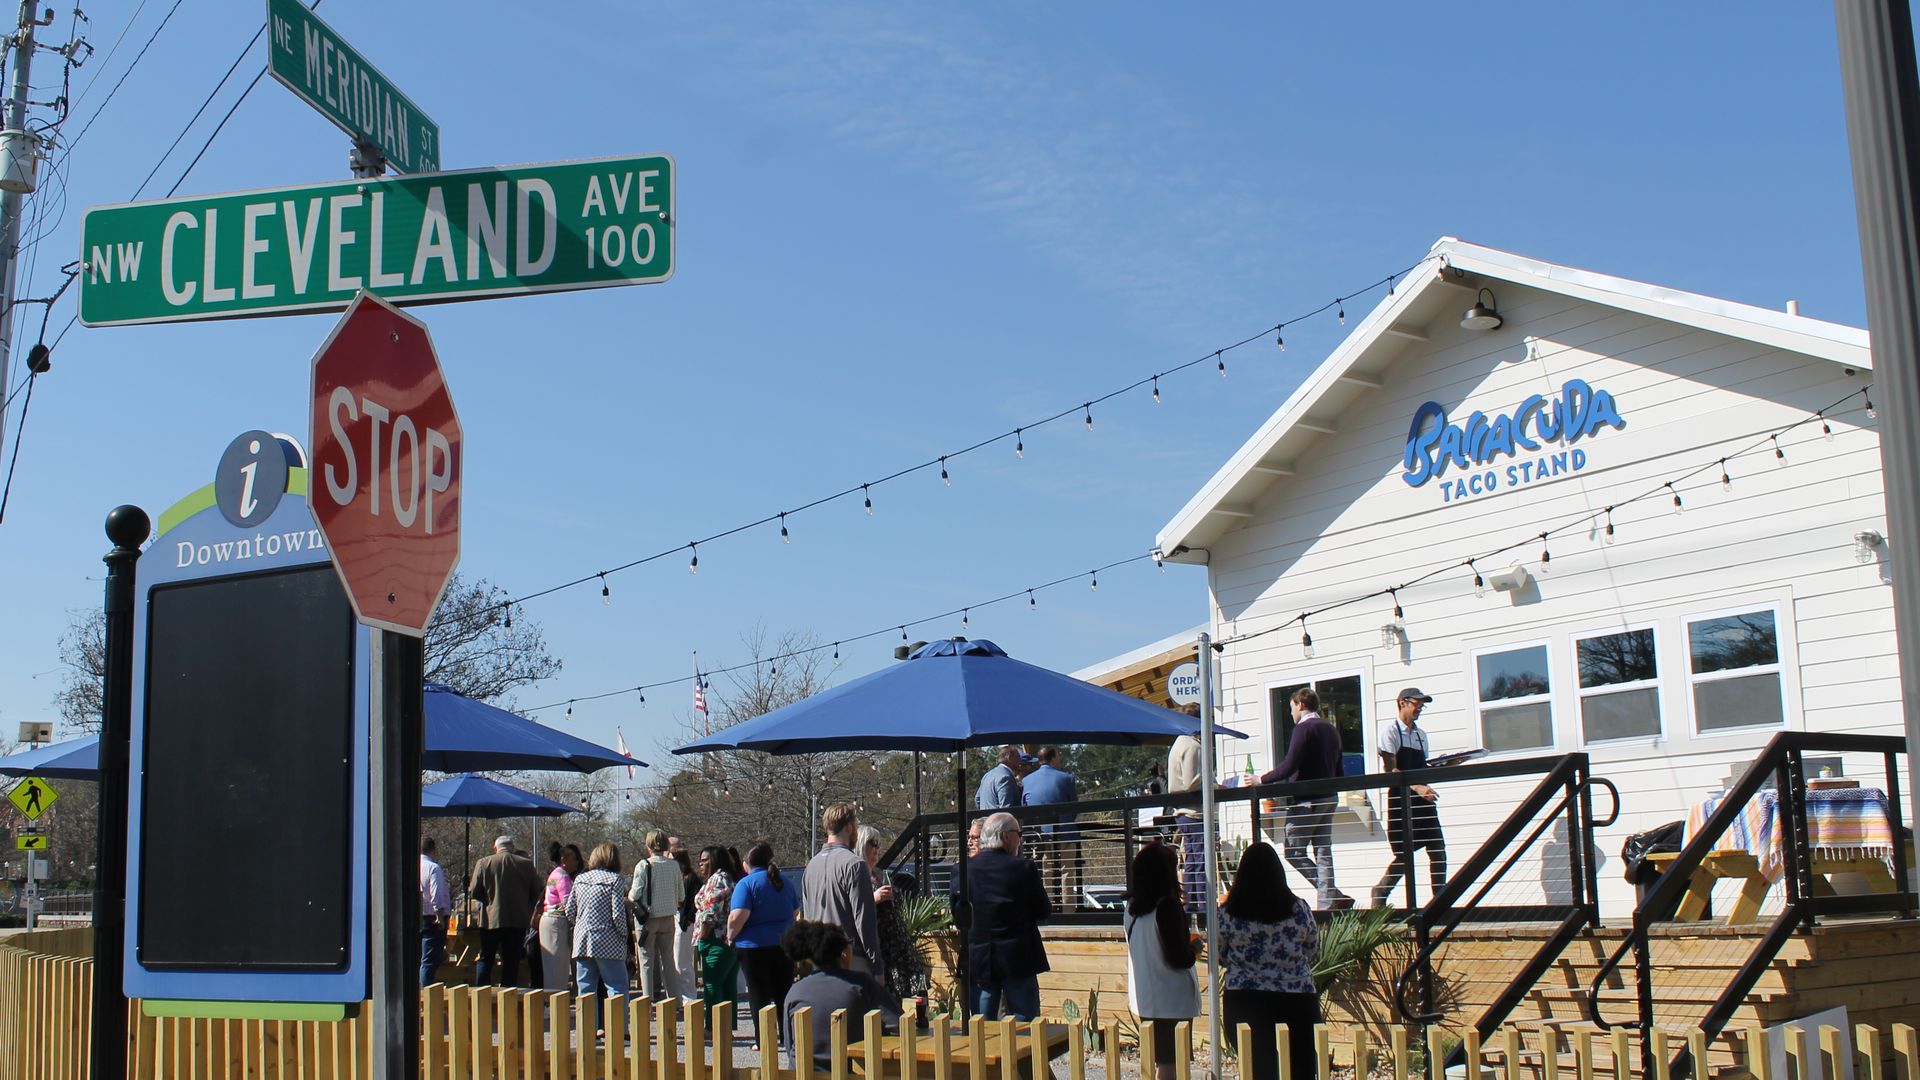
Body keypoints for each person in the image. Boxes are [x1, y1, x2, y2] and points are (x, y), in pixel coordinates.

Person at [1219, 842, 1320, 1080]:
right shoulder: (1299, 909)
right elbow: (1312, 947)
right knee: (1300, 1068)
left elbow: (1220, 954)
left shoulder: (1227, 914)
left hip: (1245, 998)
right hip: (1297, 999)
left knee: (1258, 1068)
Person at [953, 811, 1050, 1020]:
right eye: (1018, 833)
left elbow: (958, 914)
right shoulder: (1023, 868)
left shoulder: (962, 870)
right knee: (1026, 1028)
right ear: (1006, 836)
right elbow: (1043, 910)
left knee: (982, 1030)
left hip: (979, 958)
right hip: (1018, 958)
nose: (1020, 839)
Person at [1261, 687, 1351, 909]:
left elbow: (1289, 765)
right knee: (1323, 851)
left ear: (1300, 704)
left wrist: (1261, 780)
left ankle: (1331, 896)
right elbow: (1339, 770)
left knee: (1293, 851)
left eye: (1291, 707)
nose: (1291, 713)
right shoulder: (1331, 729)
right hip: (1329, 797)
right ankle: (1329, 902)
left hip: (1307, 800)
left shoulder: (1303, 729)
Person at [1123, 843, 1199, 1080]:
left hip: (1146, 996)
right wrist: (1196, 947)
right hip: (1172, 998)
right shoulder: (1167, 907)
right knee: (1171, 1062)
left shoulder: (1131, 909)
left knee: (1160, 1059)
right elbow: (1180, 958)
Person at [781, 920, 902, 1069]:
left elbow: (789, 1045)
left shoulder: (795, 991)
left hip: (802, 1073)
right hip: (851, 1071)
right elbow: (898, 1025)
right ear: (844, 953)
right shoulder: (861, 984)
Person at [1373, 688, 1447, 907]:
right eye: (1417, 703)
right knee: (1405, 855)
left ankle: (1439, 904)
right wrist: (1416, 787)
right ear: (1402, 703)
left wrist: (1447, 764)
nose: (1420, 708)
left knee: (1438, 850)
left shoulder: (1420, 735)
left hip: (1422, 800)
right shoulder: (1390, 732)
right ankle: (1380, 891)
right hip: (1401, 800)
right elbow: (1391, 771)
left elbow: (1421, 767)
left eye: (1422, 705)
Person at [802, 803, 885, 979]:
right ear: (849, 827)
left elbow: (808, 917)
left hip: (820, 960)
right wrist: (877, 967)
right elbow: (864, 921)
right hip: (850, 959)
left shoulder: (811, 866)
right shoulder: (855, 865)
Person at [727, 840, 800, 1037]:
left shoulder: (746, 884)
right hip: (783, 943)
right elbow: (795, 911)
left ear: (746, 863)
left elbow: (737, 916)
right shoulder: (785, 882)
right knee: (783, 992)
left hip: (753, 947)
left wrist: (730, 936)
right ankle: (787, 1035)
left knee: (759, 995)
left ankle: (763, 1039)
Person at [467, 834, 541, 986]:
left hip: (490, 920)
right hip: (518, 920)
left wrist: (489, 902)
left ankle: (482, 995)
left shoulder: (483, 863)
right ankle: (508, 998)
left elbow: (474, 891)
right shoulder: (526, 865)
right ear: (512, 848)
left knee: (486, 958)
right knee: (511, 962)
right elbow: (536, 892)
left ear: (495, 848)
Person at [563, 842, 633, 999]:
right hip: (608, 941)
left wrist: (580, 926)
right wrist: (623, 936)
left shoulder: (580, 879)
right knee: (617, 987)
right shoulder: (615, 880)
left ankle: (587, 1024)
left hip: (582, 941)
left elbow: (569, 912)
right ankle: (617, 1023)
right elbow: (618, 915)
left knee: (585, 991)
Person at [858, 825, 919, 1001]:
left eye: (879, 844)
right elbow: (854, 907)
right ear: (861, 845)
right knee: (882, 998)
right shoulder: (857, 875)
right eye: (873, 843)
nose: (878, 848)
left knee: (899, 997)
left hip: (896, 944)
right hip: (878, 944)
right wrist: (875, 898)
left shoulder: (880, 873)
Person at [1021, 747, 1082, 912]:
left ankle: (1047, 911)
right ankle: (1069, 912)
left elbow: (1024, 807)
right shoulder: (1066, 778)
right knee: (1067, 872)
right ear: (1053, 758)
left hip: (1040, 836)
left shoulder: (1027, 781)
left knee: (1046, 871)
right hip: (1065, 832)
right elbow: (1074, 807)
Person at [629, 829, 687, 1000]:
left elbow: (635, 894)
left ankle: (648, 1001)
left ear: (648, 845)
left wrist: (631, 897)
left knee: (647, 962)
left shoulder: (643, 865)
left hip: (648, 919)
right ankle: (674, 1000)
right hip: (668, 918)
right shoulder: (674, 865)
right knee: (668, 961)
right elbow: (681, 896)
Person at [693, 845, 742, 1012]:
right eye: (699, 860)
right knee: (728, 986)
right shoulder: (728, 877)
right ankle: (726, 1028)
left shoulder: (718, 878)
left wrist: (704, 936)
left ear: (715, 860)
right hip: (728, 940)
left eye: (705, 860)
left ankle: (712, 1026)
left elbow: (710, 910)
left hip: (715, 940)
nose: (700, 864)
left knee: (712, 984)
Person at [1169, 703, 1206, 908]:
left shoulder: (1178, 743)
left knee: (1192, 861)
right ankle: (1202, 908)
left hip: (1183, 812)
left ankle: (1190, 906)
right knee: (1200, 861)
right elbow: (1193, 781)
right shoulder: (1192, 745)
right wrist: (1216, 786)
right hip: (1194, 812)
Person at [535, 842, 583, 991]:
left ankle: (552, 995)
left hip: (549, 921)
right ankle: (555, 999)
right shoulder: (562, 877)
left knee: (552, 965)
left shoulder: (555, 874)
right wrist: (576, 921)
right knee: (558, 966)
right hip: (557, 922)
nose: (577, 862)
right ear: (564, 859)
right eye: (574, 859)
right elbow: (568, 904)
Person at [419, 837, 451, 986]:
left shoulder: (412, 865)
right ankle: (425, 994)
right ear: (433, 850)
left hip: (418, 917)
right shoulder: (433, 867)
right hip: (432, 917)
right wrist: (440, 916)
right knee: (429, 961)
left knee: (421, 958)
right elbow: (436, 893)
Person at [672, 848, 700, 1002]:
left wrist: (688, 919)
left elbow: (694, 903)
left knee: (682, 961)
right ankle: (678, 997)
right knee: (675, 961)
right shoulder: (677, 877)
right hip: (675, 921)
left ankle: (688, 997)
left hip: (684, 924)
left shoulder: (690, 878)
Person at [975, 744, 1026, 810]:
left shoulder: (987, 775)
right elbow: (1006, 809)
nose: (1020, 761)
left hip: (986, 819)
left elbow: (978, 800)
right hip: (1000, 820)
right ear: (1010, 758)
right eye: (1018, 757)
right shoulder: (1005, 778)